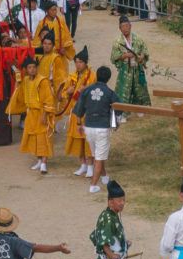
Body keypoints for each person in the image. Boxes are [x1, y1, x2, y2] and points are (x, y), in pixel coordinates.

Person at [74, 65, 119, 194]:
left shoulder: (87, 90)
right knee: (99, 157)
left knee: (97, 154)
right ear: (108, 78)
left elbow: (79, 108)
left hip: (88, 127)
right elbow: (119, 108)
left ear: (97, 76)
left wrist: (78, 124)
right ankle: (93, 185)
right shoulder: (110, 93)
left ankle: (104, 178)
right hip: (102, 128)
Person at [6, 57, 55, 175]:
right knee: (34, 137)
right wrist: (18, 84)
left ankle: (44, 162)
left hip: (41, 112)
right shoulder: (26, 80)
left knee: (43, 137)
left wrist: (45, 114)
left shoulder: (43, 81)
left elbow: (48, 99)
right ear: (26, 70)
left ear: (36, 68)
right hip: (30, 113)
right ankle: (39, 160)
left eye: (34, 67)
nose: (32, 69)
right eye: (29, 68)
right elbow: (21, 96)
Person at [64, 47, 97, 179]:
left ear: (86, 63)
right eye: (76, 62)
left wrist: (85, 90)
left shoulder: (92, 76)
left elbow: (94, 92)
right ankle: (82, 164)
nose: (78, 64)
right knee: (78, 140)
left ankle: (90, 166)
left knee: (88, 141)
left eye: (80, 62)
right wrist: (68, 92)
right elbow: (63, 94)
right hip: (75, 113)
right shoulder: (72, 76)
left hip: (87, 113)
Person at [111, 15, 151, 108]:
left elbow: (145, 51)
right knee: (123, 91)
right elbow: (113, 57)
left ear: (130, 26)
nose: (125, 28)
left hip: (138, 68)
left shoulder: (138, 39)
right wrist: (124, 55)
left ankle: (140, 108)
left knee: (140, 89)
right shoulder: (117, 41)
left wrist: (142, 57)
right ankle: (122, 111)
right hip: (125, 70)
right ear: (119, 28)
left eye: (127, 26)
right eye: (123, 27)